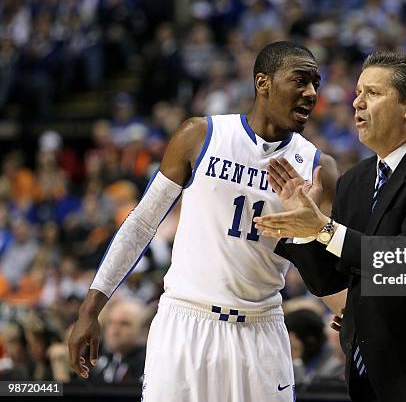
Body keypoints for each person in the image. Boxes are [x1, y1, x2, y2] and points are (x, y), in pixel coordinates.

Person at [68, 41, 339, 402]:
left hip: (261, 329)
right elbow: (141, 224)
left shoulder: (320, 168)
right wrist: (90, 309)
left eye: (316, 84)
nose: (311, 93)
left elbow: (332, 258)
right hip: (185, 320)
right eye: (301, 80)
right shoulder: (199, 135)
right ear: (263, 82)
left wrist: (350, 309)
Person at [255, 51, 406, 401]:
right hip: (371, 376)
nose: (356, 103)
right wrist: (302, 228)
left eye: (372, 93)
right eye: (357, 93)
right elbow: (331, 280)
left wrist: (323, 228)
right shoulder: (355, 181)